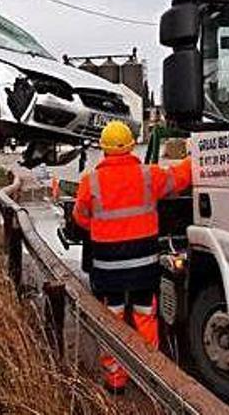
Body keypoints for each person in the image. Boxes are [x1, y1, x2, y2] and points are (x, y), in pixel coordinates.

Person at [72, 121, 192, 392]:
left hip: (107, 268)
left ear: (103, 149)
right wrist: (195, 157)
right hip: (144, 266)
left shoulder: (90, 182)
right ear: (129, 146)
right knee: (145, 316)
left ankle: (115, 382)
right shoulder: (148, 175)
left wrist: (102, 228)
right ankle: (151, 378)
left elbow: (80, 218)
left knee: (112, 320)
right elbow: (180, 178)